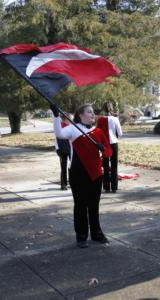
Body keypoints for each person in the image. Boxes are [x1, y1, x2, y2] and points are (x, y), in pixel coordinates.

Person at [50, 103, 112, 248]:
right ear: (81, 115)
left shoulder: (98, 132)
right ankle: (81, 236)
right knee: (80, 205)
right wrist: (55, 116)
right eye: (89, 112)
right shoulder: (72, 129)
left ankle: (97, 234)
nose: (93, 114)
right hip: (78, 173)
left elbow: (109, 152)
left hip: (96, 173)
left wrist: (103, 149)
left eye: (93, 112)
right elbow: (59, 134)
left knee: (94, 205)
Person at [97, 102, 122, 193]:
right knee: (114, 165)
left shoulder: (99, 120)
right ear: (111, 108)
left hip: (104, 144)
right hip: (113, 143)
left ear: (103, 109)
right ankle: (114, 187)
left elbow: (98, 132)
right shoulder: (115, 119)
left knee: (106, 165)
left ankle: (106, 187)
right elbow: (120, 133)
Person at [55, 113, 71, 190]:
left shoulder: (71, 126)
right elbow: (56, 138)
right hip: (62, 149)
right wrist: (57, 148)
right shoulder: (60, 125)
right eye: (69, 118)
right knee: (63, 167)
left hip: (71, 148)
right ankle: (63, 184)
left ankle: (71, 182)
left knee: (72, 166)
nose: (71, 119)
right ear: (65, 118)